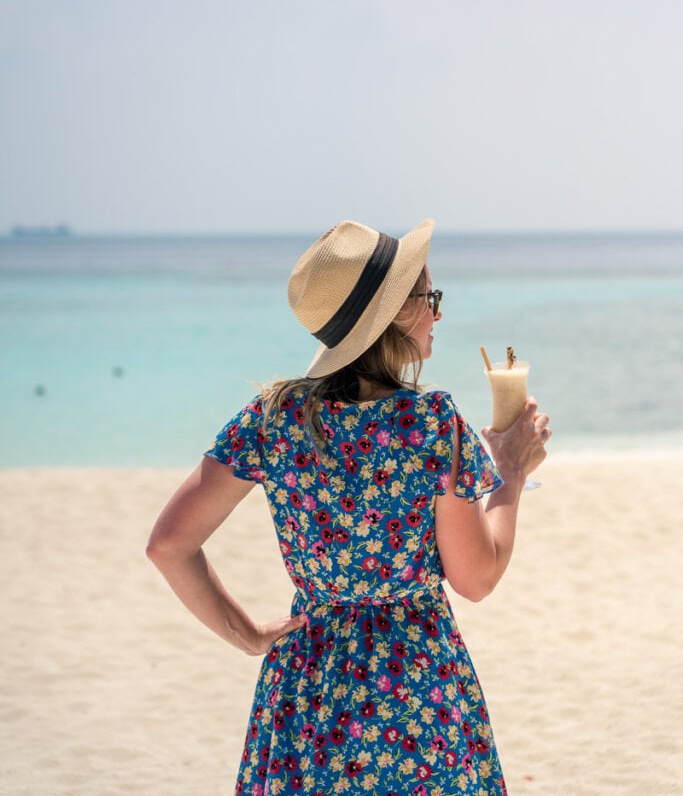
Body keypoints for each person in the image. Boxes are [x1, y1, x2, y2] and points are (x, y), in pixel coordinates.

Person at [147, 218, 551, 795]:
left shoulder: (273, 418)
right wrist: (509, 471)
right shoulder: (430, 423)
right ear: (393, 318)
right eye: (429, 299)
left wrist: (248, 635)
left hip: (308, 680)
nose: (438, 314)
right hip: (417, 684)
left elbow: (168, 545)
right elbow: (477, 578)